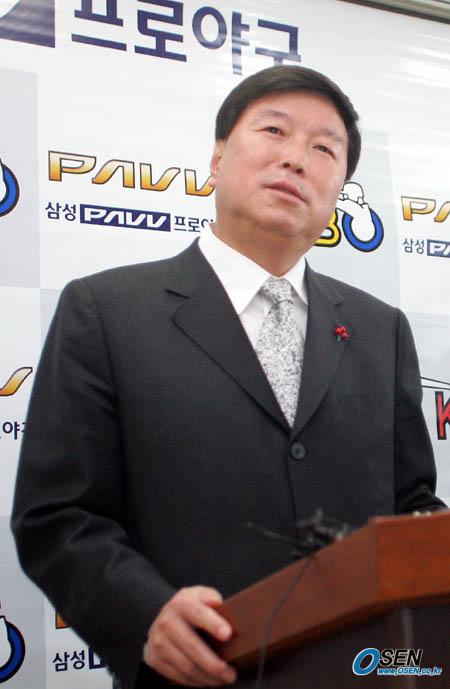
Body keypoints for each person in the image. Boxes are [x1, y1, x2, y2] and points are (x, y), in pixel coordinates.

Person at [11, 66, 445, 689]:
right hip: (199, 675)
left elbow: (411, 504)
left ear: (340, 190)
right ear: (217, 159)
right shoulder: (105, 312)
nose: (296, 159)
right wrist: (145, 614)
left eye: (325, 149)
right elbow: (58, 514)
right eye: (274, 131)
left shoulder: (382, 329)